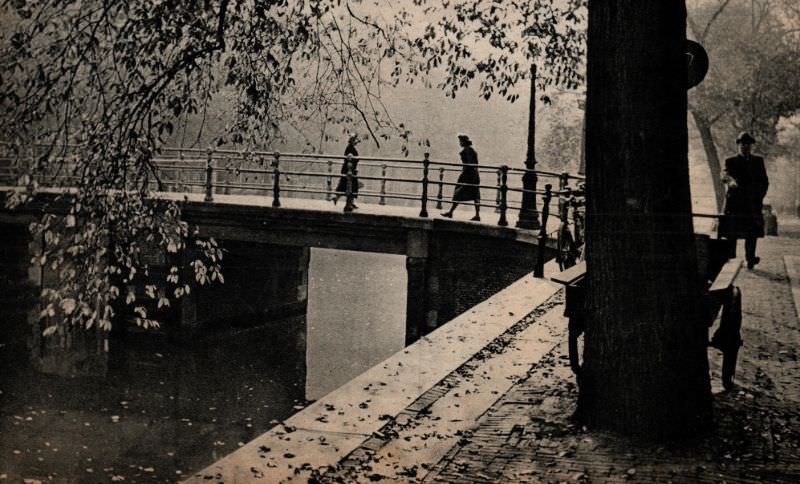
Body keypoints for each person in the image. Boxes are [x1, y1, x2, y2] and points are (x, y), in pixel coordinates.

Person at [719, 132, 769, 269]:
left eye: (747, 144)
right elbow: (724, 174)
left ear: (751, 146)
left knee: (751, 234)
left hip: (752, 204)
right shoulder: (730, 161)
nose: (744, 147)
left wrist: (758, 197)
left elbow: (764, 182)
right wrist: (731, 181)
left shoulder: (758, 161)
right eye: (742, 144)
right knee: (732, 234)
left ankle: (750, 259)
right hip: (735, 204)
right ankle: (731, 260)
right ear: (738, 146)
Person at [441, 133, 481, 221]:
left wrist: (464, 173)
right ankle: (477, 215)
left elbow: (468, 164)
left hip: (468, 175)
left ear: (463, 142)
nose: (459, 143)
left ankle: (451, 212)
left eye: (460, 141)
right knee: (475, 195)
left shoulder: (466, 151)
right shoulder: (471, 150)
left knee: (459, 192)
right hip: (474, 175)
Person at [332, 133, 360, 207]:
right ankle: (349, 203)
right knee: (351, 185)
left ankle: (340, 199)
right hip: (349, 170)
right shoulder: (350, 148)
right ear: (352, 141)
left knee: (345, 185)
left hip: (348, 170)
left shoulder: (350, 147)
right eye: (355, 140)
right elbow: (349, 159)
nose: (356, 142)